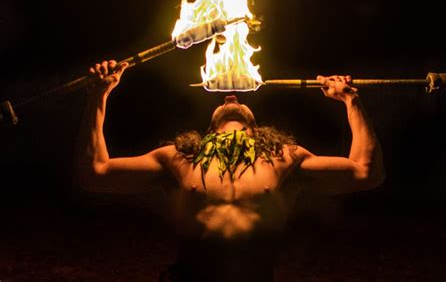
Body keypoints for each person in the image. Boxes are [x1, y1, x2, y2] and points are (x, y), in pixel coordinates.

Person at [74, 60, 385, 282]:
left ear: (256, 125)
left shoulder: (284, 159)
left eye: (237, 99)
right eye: (226, 99)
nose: (231, 96)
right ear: (210, 128)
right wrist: (98, 97)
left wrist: (350, 100)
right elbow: (94, 173)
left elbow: (366, 172)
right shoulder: (181, 158)